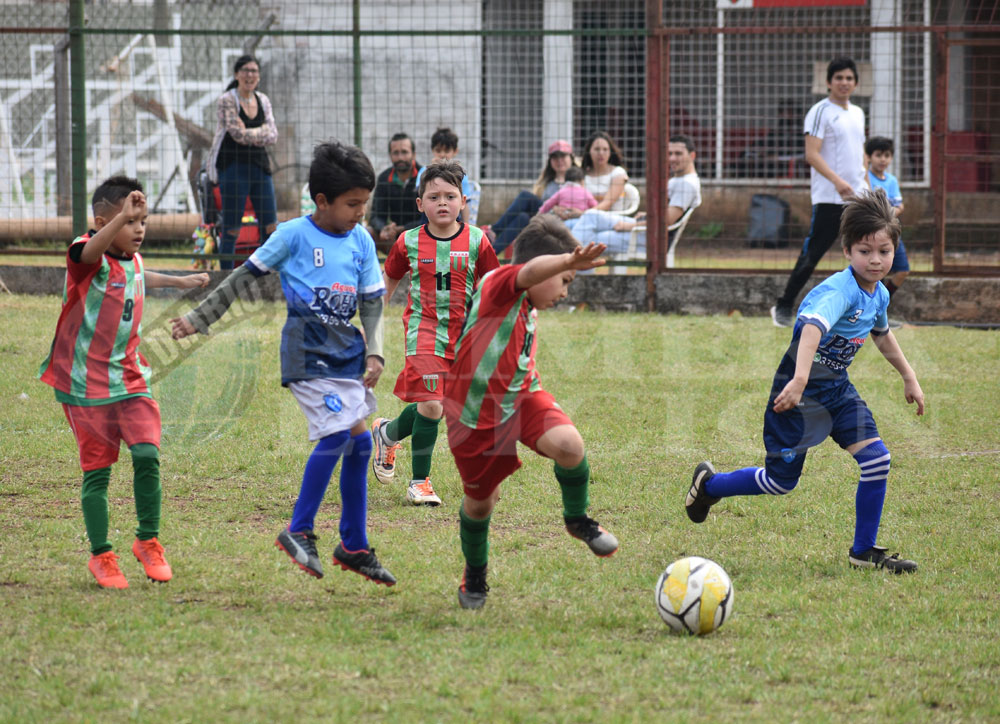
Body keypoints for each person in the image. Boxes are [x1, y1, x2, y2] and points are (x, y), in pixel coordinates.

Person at [171, 140, 397, 586]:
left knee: (361, 445)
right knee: (337, 435)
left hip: (346, 356)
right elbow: (242, 276)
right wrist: (201, 317)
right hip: (306, 354)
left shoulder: (361, 240)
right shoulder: (293, 235)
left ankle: (354, 546)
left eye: (364, 203)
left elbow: (372, 302)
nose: (360, 213)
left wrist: (375, 350)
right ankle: (299, 530)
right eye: (352, 204)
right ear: (322, 201)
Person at [686, 190, 925, 574]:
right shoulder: (840, 291)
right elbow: (812, 328)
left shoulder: (878, 293)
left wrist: (909, 377)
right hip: (798, 392)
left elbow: (881, 334)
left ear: (895, 250)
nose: (875, 260)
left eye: (884, 251)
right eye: (865, 251)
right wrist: (799, 381)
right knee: (780, 482)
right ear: (847, 251)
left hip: (837, 390)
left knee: (877, 460)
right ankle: (709, 485)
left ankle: (863, 551)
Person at [38, 176, 210, 589]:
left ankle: (147, 541)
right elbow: (90, 252)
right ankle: (101, 555)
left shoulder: (131, 258)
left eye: (143, 221)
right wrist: (119, 221)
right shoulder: (84, 255)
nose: (139, 229)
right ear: (102, 223)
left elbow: (138, 275)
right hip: (84, 385)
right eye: (131, 221)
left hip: (131, 377)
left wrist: (180, 282)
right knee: (97, 472)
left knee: (147, 454)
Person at [443, 215, 619, 610]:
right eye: (565, 281)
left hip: (522, 398)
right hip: (475, 415)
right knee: (482, 503)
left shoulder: (530, 303)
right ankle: (475, 574)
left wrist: (565, 266)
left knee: (570, 445)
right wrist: (566, 261)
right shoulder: (499, 285)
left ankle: (577, 519)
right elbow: (530, 271)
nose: (565, 292)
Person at [370, 160, 500, 506]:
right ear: (420, 203)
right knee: (432, 404)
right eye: (433, 197)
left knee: (439, 406)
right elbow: (389, 280)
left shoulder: (478, 241)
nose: (442, 202)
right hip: (423, 332)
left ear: (463, 201)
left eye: (450, 196)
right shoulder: (408, 241)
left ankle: (387, 433)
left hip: (464, 337)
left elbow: (493, 286)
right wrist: (373, 320)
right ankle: (419, 483)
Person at [771, 58, 867, 327]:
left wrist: (867, 186)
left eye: (849, 78)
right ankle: (784, 305)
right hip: (830, 197)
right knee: (813, 252)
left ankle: (869, 311)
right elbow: (812, 154)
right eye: (839, 78)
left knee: (868, 251)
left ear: (855, 83)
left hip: (858, 196)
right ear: (828, 82)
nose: (844, 83)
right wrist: (837, 182)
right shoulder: (820, 111)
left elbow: (861, 153)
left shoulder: (858, 113)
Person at [206, 54, 279, 271]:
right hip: (233, 167)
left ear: (259, 76)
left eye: (254, 71)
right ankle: (226, 276)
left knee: (270, 226)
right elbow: (237, 135)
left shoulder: (263, 100)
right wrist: (260, 131)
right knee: (232, 228)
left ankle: (265, 274)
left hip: (259, 166)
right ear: (237, 74)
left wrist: (249, 131)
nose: (250, 75)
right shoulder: (227, 100)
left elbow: (273, 135)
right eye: (245, 70)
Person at [572, 134, 701, 256]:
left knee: (590, 237)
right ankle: (570, 263)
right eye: (670, 153)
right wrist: (647, 215)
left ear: (692, 156)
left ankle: (567, 265)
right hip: (646, 228)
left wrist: (630, 226)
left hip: (652, 238)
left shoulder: (686, 184)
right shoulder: (679, 180)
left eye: (678, 154)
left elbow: (667, 220)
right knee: (590, 217)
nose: (672, 158)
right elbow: (667, 212)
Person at [486, 140, 578, 254]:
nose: (559, 160)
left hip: (564, 220)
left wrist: (561, 210)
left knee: (526, 196)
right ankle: (491, 253)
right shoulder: (546, 182)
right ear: (550, 161)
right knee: (523, 217)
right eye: (555, 157)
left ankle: (494, 230)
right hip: (544, 220)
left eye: (563, 156)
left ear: (571, 158)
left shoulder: (579, 180)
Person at [864, 136, 910, 305]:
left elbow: (899, 206)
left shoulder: (891, 180)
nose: (883, 159)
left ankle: (881, 303)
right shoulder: (865, 178)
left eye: (887, 155)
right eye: (878, 155)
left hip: (890, 231)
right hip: (872, 232)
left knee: (903, 270)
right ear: (869, 157)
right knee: (875, 272)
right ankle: (872, 307)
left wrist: (888, 213)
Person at [560, 131, 629, 231]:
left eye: (605, 149)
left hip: (611, 221)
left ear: (610, 152)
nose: (601, 153)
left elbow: (607, 204)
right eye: (597, 149)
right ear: (589, 151)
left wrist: (583, 214)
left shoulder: (618, 173)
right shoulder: (581, 174)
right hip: (583, 221)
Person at [368, 132, 423, 252]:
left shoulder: (424, 176)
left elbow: (429, 218)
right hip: (392, 237)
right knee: (368, 232)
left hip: (419, 235)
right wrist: (383, 228)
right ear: (390, 155)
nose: (400, 158)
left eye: (404, 152)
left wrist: (402, 228)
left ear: (413, 154)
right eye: (396, 153)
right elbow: (376, 215)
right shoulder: (384, 178)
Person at [414, 127, 478, 224]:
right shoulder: (424, 171)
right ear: (432, 150)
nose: (442, 154)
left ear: (455, 151)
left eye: (447, 151)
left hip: (453, 222)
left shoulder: (460, 175)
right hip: (427, 222)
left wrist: (467, 225)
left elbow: (466, 203)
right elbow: (419, 192)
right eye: (438, 151)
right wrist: (431, 170)